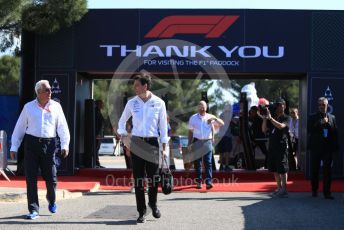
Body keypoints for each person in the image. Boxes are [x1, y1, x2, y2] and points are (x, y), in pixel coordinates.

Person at [10, 80, 70, 220]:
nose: (50, 92)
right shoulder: (28, 107)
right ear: (38, 92)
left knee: (52, 178)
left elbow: (62, 127)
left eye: (50, 89)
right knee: (31, 178)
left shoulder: (56, 106)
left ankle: (52, 199)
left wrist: (65, 145)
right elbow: (19, 128)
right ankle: (33, 209)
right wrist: (14, 146)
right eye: (47, 90)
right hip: (31, 144)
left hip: (49, 145)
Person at [117, 74, 168, 223]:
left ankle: (153, 203)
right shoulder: (132, 103)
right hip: (137, 143)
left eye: (137, 85)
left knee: (153, 178)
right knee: (139, 179)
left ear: (145, 86)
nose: (134, 88)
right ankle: (141, 211)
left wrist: (164, 148)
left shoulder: (159, 103)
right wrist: (125, 136)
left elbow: (163, 127)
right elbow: (121, 122)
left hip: (152, 143)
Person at [188, 101, 224, 189]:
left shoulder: (210, 117)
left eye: (203, 107)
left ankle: (208, 182)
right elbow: (190, 131)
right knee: (198, 163)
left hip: (207, 141)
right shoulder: (193, 118)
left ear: (206, 108)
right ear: (198, 108)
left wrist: (214, 119)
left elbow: (222, 123)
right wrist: (189, 143)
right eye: (200, 106)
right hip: (197, 141)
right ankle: (199, 182)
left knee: (208, 162)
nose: (202, 108)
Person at [308, 97, 339, 199]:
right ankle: (314, 190)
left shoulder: (332, 117)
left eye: (323, 105)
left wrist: (328, 123)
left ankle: (327, 192)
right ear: (318, 106)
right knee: (315, 170)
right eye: (320, 105)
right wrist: (321, 122)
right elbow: (310, 130)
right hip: (316, 148)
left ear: (327, 106)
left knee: (327, 171)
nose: (321, 107)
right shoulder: (313, 117)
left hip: (327, 148)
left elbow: (335, 133)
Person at [262, 98, 290, 198]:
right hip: (272, 146)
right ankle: (279, 188)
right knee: (274, 168)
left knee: (282, 168)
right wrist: (265, 118)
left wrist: (271, 119)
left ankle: (284, 189)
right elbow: (264, 129)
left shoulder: (286, 117)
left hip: (281, 145)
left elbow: (281, 127)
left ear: (284, 106)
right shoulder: (273, 117)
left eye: (280, 105)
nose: (278, 107)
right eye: (277, 105)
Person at [218, 106, 233, 171]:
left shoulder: (221, 115)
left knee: (221, 152)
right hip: (227, 136)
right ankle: (226, 166)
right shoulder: (229, 115)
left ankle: (221, 166)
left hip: (221, 136)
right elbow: (233, 122)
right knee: (227, 152)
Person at [95, 99, 105, 168]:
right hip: (97, 135)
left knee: (97, 148)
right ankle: (96, 163)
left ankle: (97, 162)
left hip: (99, 134)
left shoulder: (98, 112)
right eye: (101, 103)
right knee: (96, 148)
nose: (102, 105)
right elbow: (98, 124)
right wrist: (98, 133)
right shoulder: (96, 112)